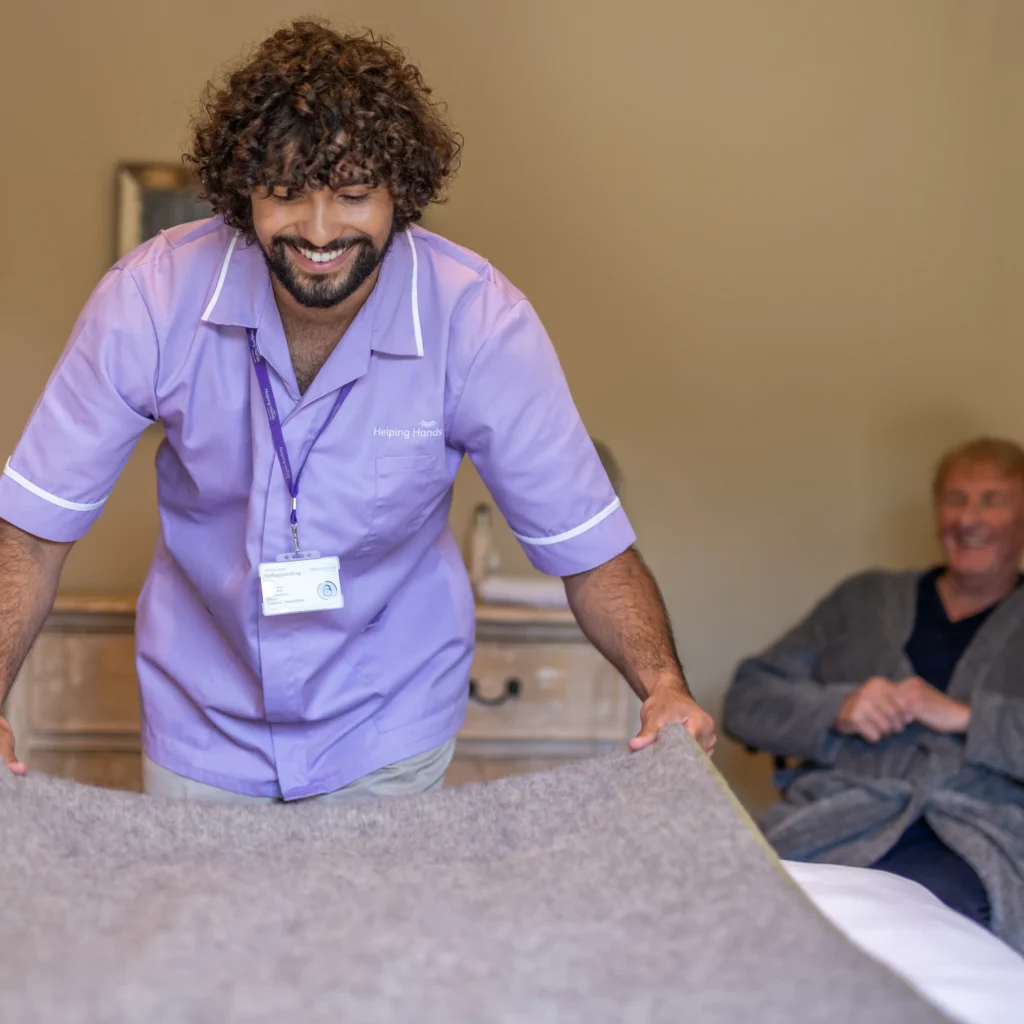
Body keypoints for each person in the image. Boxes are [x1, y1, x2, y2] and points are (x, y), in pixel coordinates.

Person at [0, 21, 714, 804]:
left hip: (389, 722)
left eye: (351, 194)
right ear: (243, 190)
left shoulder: (478, 323)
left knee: (373, 930)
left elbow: (591, 551)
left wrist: (663, 683)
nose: (317, 230)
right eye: (285, 193)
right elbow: (32, 535)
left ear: (400, 194)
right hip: (201, 719)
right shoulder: (150, 299)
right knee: (209, 929)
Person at [724, 437, 1024, 951]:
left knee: (920, 940)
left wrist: (968, 718)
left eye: (992, 500)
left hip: (976, 838)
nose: (969, 519)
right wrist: (837, 709)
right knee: (745, 920)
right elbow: (747, 700)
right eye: (956, 499)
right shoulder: (864, 600)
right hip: (833, 820)